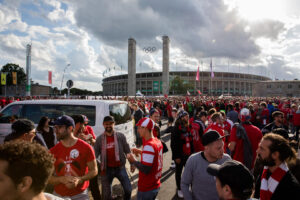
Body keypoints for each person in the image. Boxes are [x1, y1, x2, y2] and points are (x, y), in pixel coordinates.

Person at [49, 115, 98, 200]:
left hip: (80, 195)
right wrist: (62, 179)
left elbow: (94, 170)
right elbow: (49, 177)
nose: (56, 130)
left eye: (60, 127)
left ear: (70, 128)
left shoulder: (86, 147)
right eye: (55, 127)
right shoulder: (53, 151)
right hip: (59, 195)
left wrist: (80, 179)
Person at [181, 130, 231, 200]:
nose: (222, 150)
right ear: (206, 148)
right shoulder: (193, 160)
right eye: (218, 148)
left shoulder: (227, 159)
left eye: (223, 146)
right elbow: (184, 184)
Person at [94, 116, 133, 200]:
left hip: (120, 168)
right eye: (106, 124)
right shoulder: (99, 139)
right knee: (106, 196)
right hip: (106, 170)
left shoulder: (121, 136)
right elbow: (95, 155)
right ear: (103, 125)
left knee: (128, 190)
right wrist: (99, 165)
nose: (108, 126)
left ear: (114, 124)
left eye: (110, 123)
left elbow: (127, 151)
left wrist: (132, 163)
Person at [254, 133, 300, 200]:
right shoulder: (263, 175)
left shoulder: (291, 186)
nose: (257, 151)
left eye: (262, 149)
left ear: (275, 154)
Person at [127, 117, 163, 200]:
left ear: (145, 128)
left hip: (147, 187)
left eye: (139, 127)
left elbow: (146, 169)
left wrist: (134, 160)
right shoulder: (157, 141)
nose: (138, 130)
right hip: (155, 183)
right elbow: (154, 157)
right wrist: (140, 152)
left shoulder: (149, 145)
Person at [171, 111, 194, 198]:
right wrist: (176, 156)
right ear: (180, 117)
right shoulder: (176, 128)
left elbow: (191, 141)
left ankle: (191, 188)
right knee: (179, 172)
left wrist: (193, 153)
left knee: (190, 172)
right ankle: (179, 188)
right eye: (185, 116)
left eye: (187, 115)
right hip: (180, 155)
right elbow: (173, 144)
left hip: (189, 154)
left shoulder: (189, 126)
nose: (187, 117)